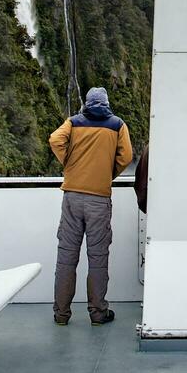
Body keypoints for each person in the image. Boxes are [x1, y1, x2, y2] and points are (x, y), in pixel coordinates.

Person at [49, 87, 133, 326]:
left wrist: (69, 163)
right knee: (97, 257)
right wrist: (108, 174)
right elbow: (126, 157)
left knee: (66, 257)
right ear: (106, 103)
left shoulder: (73, 122)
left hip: (72, 197)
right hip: (99, 198)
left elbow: (55, 139)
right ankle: (98, 313)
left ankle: (61, 315)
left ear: (86, 103)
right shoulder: (117, 125)